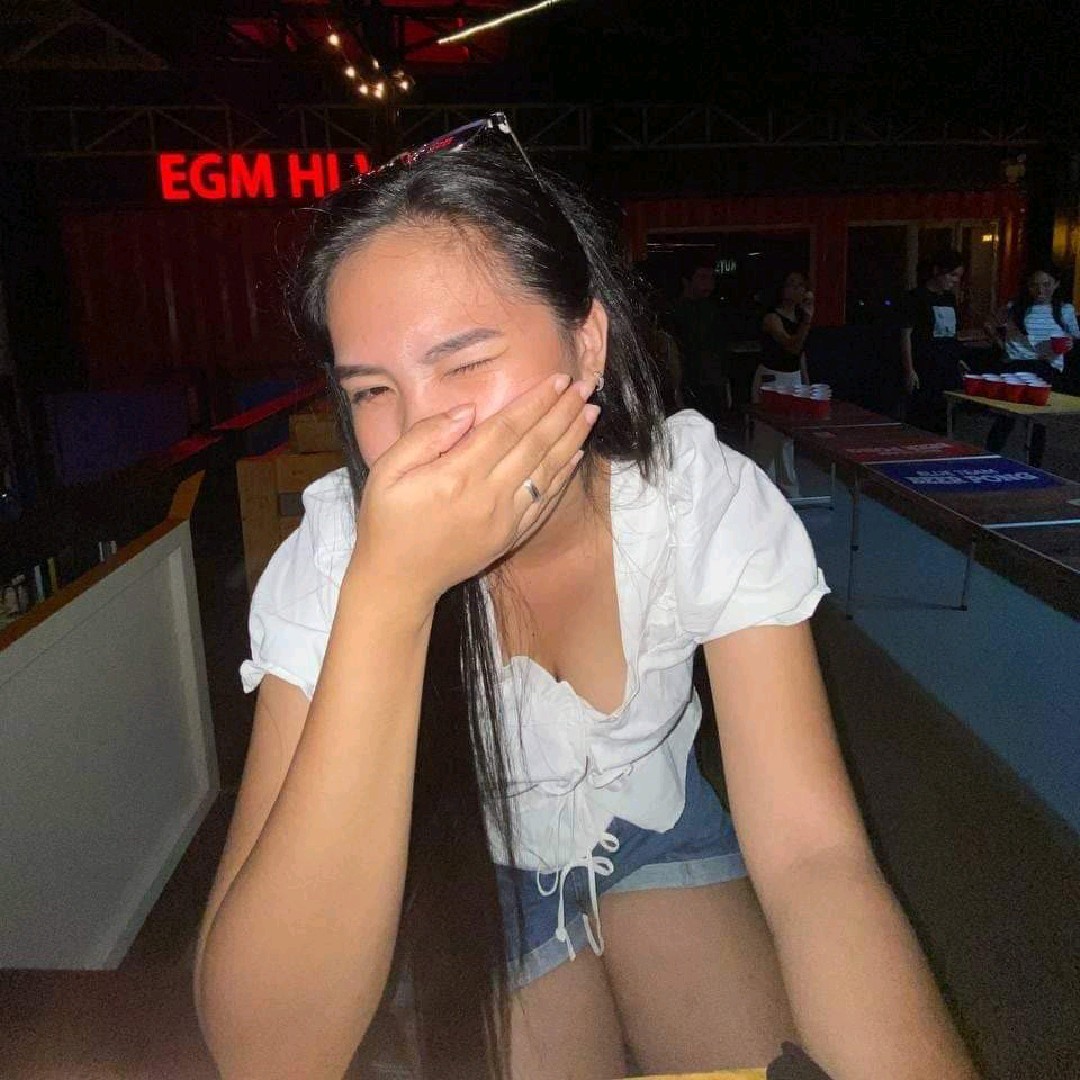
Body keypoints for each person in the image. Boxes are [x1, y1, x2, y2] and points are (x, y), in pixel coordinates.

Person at [193, 131, 977, 1080]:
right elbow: (265, 1053)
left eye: (463, 362)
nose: (418, 439)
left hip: (659, 826)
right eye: (371, 390)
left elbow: (817, 858)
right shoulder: (334, 561)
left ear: (589, 342)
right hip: (459, 868)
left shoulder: (694, 501)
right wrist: (390, 597)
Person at [985, 266, 1080, 465]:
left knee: (1039, 420)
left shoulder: (1064, 309)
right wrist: (1001, 345)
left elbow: (1073, 336)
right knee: (1007, 416)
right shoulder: (1015, 307)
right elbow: (989, 324)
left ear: (1056, 284)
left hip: (1046, 366)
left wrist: (1069, 343)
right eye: (1034, 285)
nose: (1040, 290)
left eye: (1046, 285)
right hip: (1017, 365)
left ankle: (1034, 464)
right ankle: (987, 457)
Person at [751, 271, 814, 499]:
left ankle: (789, 489)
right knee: (767, 437)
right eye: (791, 285)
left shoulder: (800, 316)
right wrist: (807, 321)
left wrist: (805, 381)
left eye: (800, 285)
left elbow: (801, 354)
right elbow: (791, 346)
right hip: (771, 378)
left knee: (788, 439)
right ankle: (761, 491)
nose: (796, 290)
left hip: (793, 377)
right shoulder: (772, 317)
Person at [899, 250, 967, 433]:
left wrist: (957, 358)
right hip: (925, 365)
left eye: (958, 277)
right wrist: (909, 369)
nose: (955, 281)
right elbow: (905, 335)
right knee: (922, 416)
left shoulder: (949, 298)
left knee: (946, 416)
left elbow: (952, 333)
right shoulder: (916, 297)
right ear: (937, 271)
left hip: (947, 365)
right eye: (952, 275)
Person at [668, 258, 727, 420]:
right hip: (687, 381)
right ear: (686, 281)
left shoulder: (714, 310)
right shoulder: (674, 311)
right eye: (702, 277)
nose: (708, 283)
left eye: (711, 278)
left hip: (712, 381)